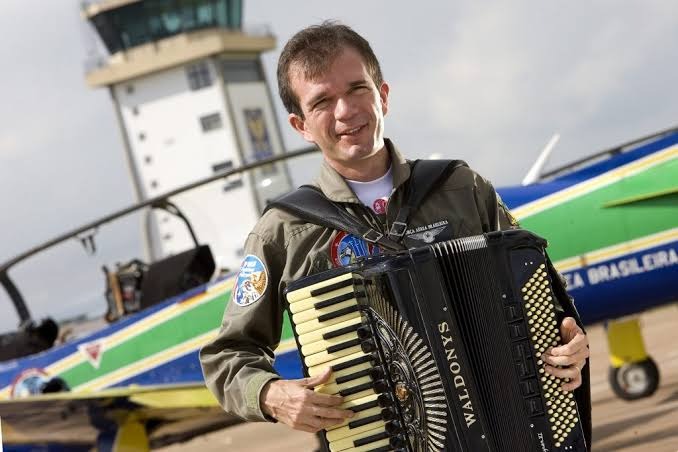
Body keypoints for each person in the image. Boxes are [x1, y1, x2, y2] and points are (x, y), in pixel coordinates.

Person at [200, 20, 590, 440]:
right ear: (301, 126)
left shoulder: (461, 187)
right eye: (322, 102)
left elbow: (541, 295)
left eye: (357, 89)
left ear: (383, 95)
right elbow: (228, 355)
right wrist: (270, 394)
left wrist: (570, 341)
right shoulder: (285, 232)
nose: (345, 111)